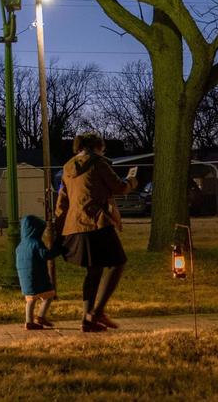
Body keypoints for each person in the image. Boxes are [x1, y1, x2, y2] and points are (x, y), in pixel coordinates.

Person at [52, 132, 137, 332]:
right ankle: (97, 312)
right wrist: (132, 181)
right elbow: (119, 186)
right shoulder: (99, 163)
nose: (103, 150)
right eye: (103, 147)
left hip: (75, 225)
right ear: (97, 146)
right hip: (97, 222)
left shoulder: (67, 168)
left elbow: (62, 202)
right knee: (118, 262)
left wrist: (59, 228)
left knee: (94, 269)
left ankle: (87, 319)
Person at [15, 214, 57, 330]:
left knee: (30, 299)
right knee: (49, 294)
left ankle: (29, 321)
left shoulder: (20, 246)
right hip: (37, 276)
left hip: (25, 278)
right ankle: (40, 316)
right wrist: (56, 250)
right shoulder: (36, 243)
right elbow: (46, 255)